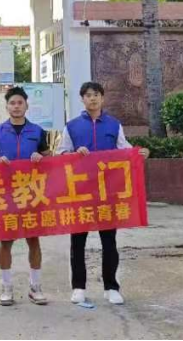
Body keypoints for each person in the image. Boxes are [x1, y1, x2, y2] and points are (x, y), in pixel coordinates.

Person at [56, 82, 150, 306]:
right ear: (82, 99)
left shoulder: (113, 124)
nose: (92, 99)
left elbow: (124, 149)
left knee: (109, 241)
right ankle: (79, 287)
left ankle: (111, 287)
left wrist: (139, 152)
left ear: (102, 98)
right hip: (81, 193)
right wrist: (74, 153)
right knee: (78, 242)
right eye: (88, 95)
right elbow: (60, 154)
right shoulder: (72, 126)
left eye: (96, 95)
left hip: (107, 192)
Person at [0, 86, 52, 307]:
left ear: (26, 105)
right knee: (6, 241)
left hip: (32, 193)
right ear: (7, 107)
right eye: (12, 103)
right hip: (6, 194)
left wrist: (40, 157)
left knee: (34, 240)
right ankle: (6, 287)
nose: (16, 106)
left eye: (19, 103)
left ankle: (35, 287)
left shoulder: (37, 131)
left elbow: (49, 158)